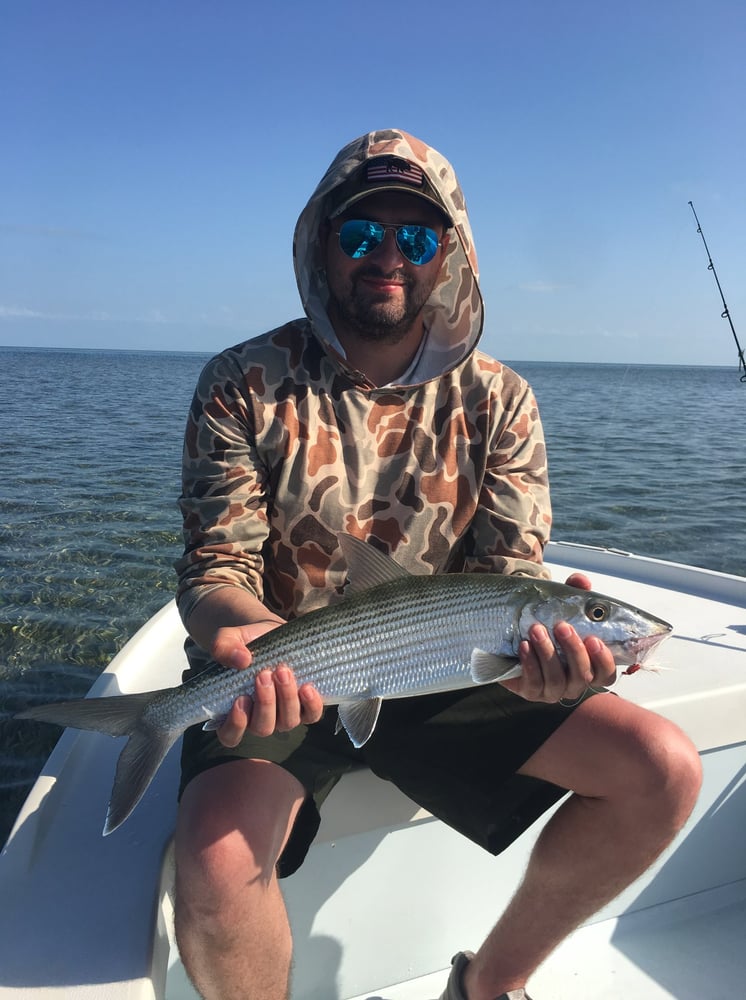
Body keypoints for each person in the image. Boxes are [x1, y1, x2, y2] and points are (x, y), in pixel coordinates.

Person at [173, 129, 702, 1000]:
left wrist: (549, 674)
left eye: (415, 237)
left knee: (663, 770)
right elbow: (214, 567)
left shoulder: (501, 399)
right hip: (283, 673)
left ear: (447, 253)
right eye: (361, 233)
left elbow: (507, 572)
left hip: (450, 665)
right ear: (321, 243)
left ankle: (487, 987)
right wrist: (250, 644)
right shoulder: (244, 381)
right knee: (216, 857)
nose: (388, 256)